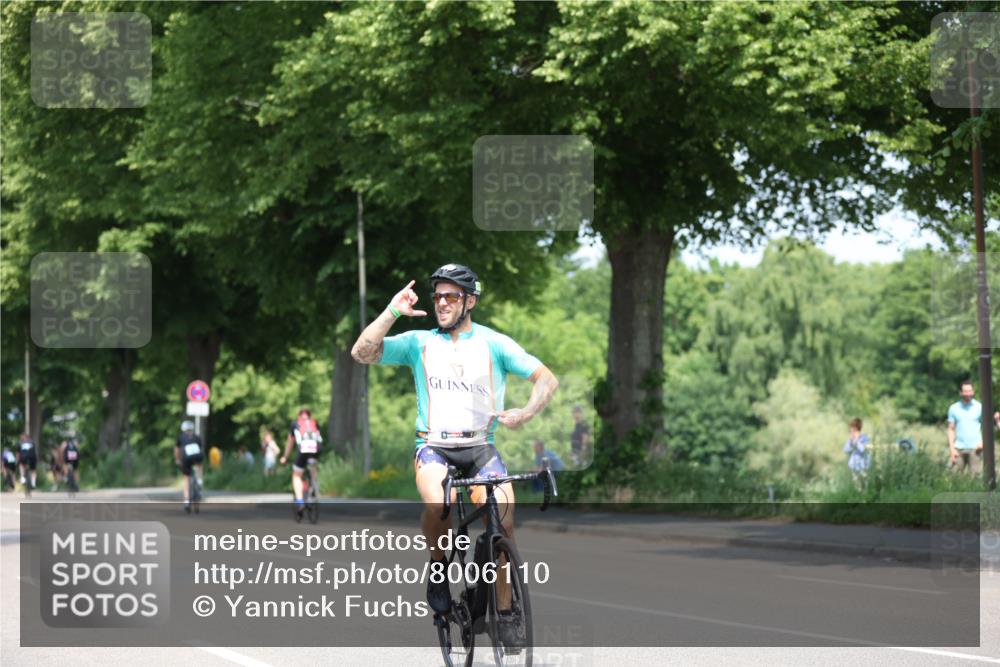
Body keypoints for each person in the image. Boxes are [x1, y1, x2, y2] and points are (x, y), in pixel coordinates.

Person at [351, 263, 558, 646]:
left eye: (451, 297)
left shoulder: (494, 343)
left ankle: (506, 611)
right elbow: (362, 352)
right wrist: (392, 312)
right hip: (434, 447)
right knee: (437, 504)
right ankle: (438, 567)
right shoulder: (419, 343)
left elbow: (547, 379)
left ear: (470, 301)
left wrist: (526, 412)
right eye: (438, 296)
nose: (442, 303)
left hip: (480, 446)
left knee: (505, 520)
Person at [280, 408, 323, 519]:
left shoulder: (295, 424)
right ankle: (314, 487)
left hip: (303, 449)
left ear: (299, 416)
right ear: (309, 415)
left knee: (296, 475)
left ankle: (300, 502)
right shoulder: (315, 423)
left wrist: (285, 457)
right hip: (316, 449)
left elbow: (290, 443)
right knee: (313, 467)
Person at [947, 380, 984, 476]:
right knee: (954, 478)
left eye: (970, 391)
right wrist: (952, 449)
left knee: (976, 479)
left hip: (975, 448)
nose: (968, 393)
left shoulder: (979, 407)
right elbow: (951, 429)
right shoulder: (953, 408)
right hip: (958, 448)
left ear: (973, 392)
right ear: (961, 392)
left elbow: (986, 427)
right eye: (965, 391)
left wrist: (983, 442)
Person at [175, 420, 204, 512]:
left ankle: (187, 501)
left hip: (186, 458)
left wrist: (177, 460)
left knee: (186, 478)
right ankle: (199, 480)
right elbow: (199, 449)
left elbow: (177, 450)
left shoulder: (181, 437)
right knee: (199, 465)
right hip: (197, 456)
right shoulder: (197, 437)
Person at [843, 418, 871, 483]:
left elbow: (863, 450)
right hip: (854, 466)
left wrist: (856, 442)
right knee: (856, 484)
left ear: (855, 428)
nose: (850, 431)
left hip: (863, 465)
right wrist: (851, 442)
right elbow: (846, 450)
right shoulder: (850, 440)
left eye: (851, 428)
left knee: (865, 484)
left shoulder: (865, 438)